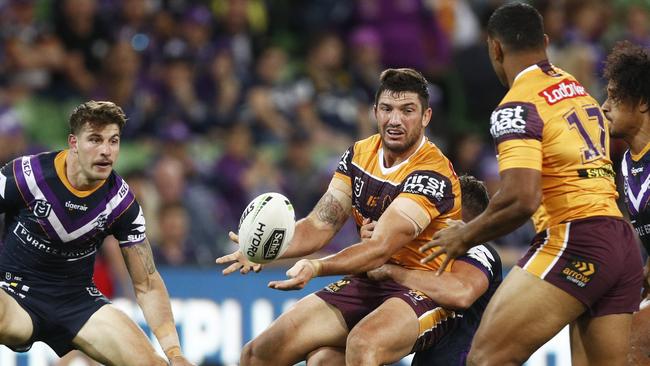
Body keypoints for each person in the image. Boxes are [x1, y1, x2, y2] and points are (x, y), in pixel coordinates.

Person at [420, 3, 643, 366]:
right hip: (621, 242)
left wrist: (466, 234)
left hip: (575, 237)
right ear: (544, 41)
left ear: (495, 48)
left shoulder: (517, 105)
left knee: (485, 358)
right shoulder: (580, 92)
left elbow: (522, 198)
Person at [217, 68, 463, 365]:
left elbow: (379, 248)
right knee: (258, 354)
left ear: (426, 117)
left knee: (363, 345)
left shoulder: (432, 173)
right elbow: (320, 225)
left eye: (407, 110)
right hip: (370, 281)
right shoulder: (359, 155)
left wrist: (316, 267)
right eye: (387, 109)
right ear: (375, 112)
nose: (395, 120)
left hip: (423, 289)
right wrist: (264, 247)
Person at [0, 101, 192, 365]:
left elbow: (147, 284)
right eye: (95, 140)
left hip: (77, 303)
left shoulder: (121, 203)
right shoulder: (27, 176)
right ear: (73, 143)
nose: (106, 151)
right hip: (13, 295)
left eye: (113, 141)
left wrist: (175, 353)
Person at [306, 175, 503, 366]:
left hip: (464, 360)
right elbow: (377, 284)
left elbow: (461, 294)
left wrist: (392, 271)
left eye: (440, 211)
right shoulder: (424, 253)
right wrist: (373, 247)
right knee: (324, 360)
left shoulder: (478, 249)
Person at [601, 41, 650, 366]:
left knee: (635, 340)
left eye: (614, 96)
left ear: (643, 102)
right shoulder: (625, 163)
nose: (604, 106)